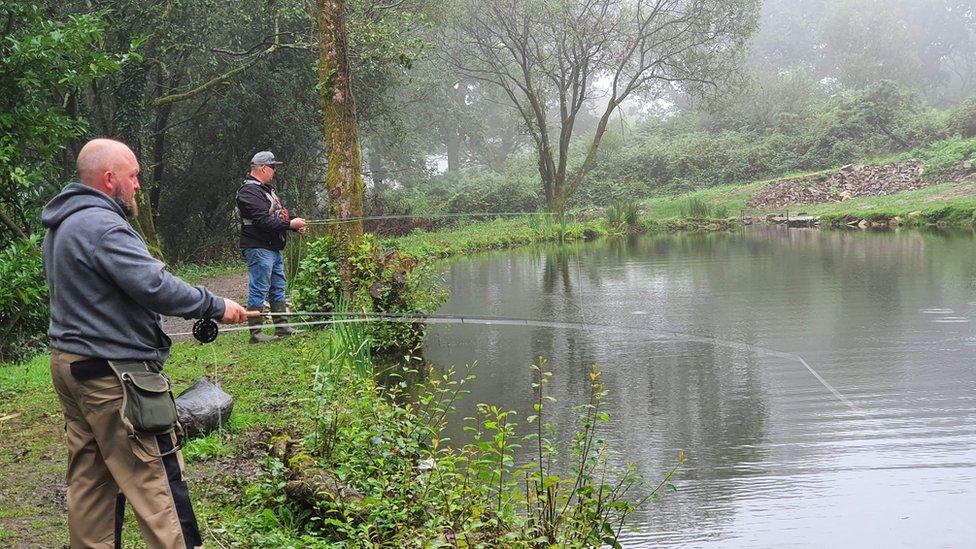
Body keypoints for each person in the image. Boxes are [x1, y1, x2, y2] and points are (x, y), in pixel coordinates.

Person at [41, 138, 249, 548]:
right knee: (158, 479)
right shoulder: (101, 225)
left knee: (92, 482)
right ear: (109, 178)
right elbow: (154, 285)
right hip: (113, 377)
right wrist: (214, 304)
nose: (138, 185)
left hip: (72, 368)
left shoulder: (63, 224)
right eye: (133, 176)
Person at [236, 150, 307, 343]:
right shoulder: (248, 192)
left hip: (273, 248)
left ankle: (282, 328)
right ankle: (256, 333)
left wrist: (293, 223)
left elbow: (279, 216)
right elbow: (263, 221)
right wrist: (290, 225)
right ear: (263, 168)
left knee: (278, 287)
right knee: (259, 288)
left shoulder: (267, 190)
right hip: (258, 247)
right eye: (273, 167)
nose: (274, 171)